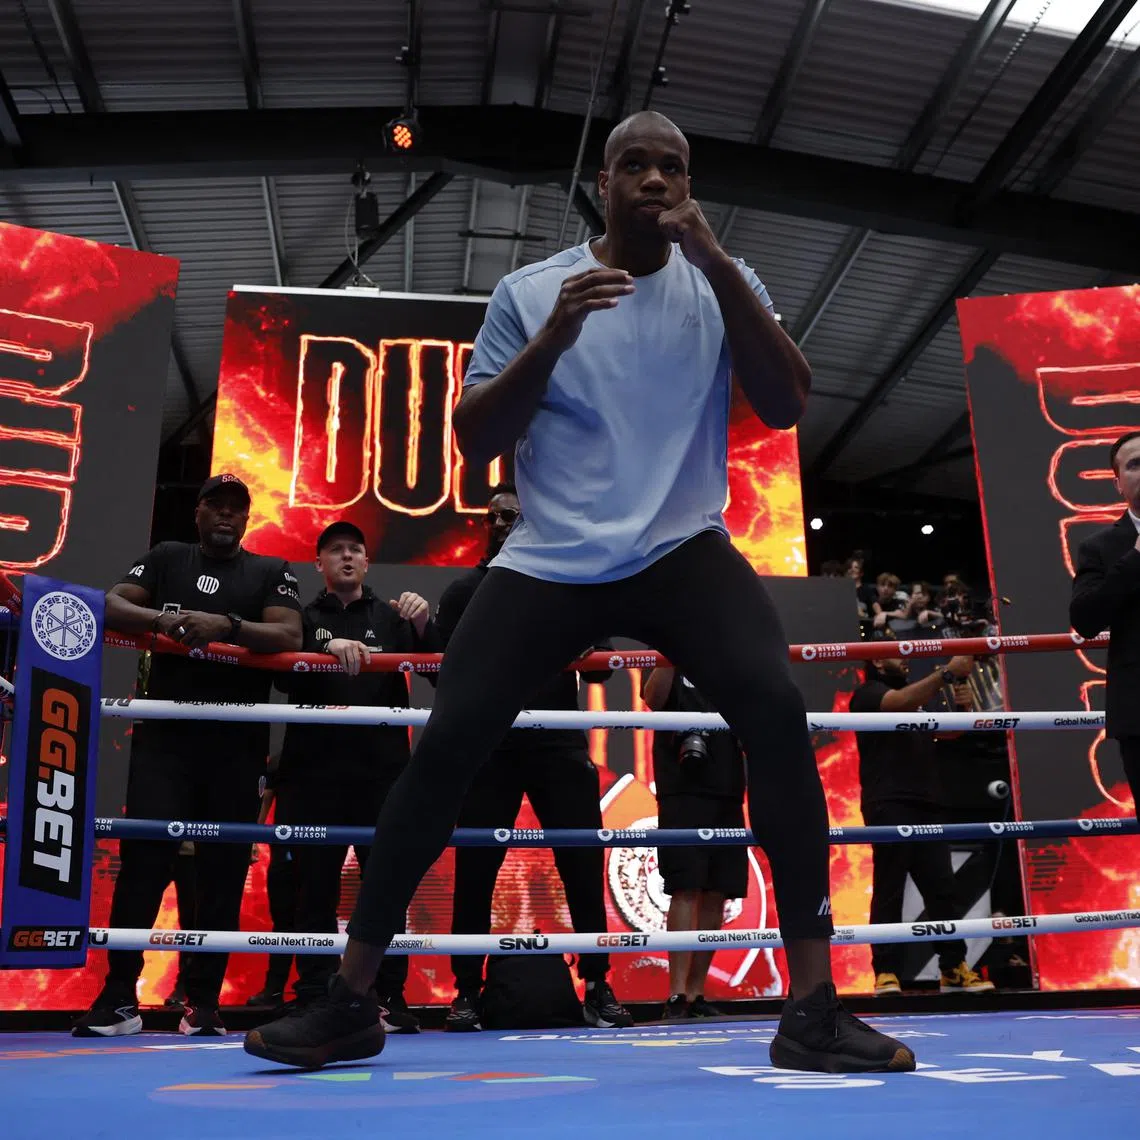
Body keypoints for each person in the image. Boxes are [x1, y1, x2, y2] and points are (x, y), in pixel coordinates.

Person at [246, 109, 915, 1073]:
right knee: (446, 749)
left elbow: (784, 404)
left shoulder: (723, 280)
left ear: (690, 185)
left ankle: (811, 1008)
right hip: (552, 555)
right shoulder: (531, 290)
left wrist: (719, 262)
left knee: (774, 709)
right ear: (602, 182)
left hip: (682, 545)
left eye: (673, 167)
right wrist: (557, 334)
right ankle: (352, 999)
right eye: (634, 165)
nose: (654, 180)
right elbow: (476, 439)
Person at [74, 473, 303, 1037]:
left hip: (236, 742)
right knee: (145, 862)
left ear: (246, 520)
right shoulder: (166, 557)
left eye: (236, 509)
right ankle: (118, 998)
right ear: (198, 512)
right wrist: (166, 622)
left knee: (223, 870)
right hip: (166, 737)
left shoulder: (269, 571)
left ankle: (202, 1003)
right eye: (215, 505)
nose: (226, 515)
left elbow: (289, 636)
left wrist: (223, 626)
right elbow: (110, 604)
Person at [436, 484, 631, 1032]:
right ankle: (467, 993)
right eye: (495, 514)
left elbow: (601, 667)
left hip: (557, 745)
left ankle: (597, 983)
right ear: (485, 525)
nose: (503, 523)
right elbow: (437, 673)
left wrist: (575, 644)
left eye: (514, 516)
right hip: (489, 746)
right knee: (475, 868)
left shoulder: (565, 586)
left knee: (582, 865)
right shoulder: (461, 592)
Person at [275, 520, 440, 1032]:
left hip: (382, 775)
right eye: (336, 551)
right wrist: (320, 652)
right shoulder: (299, 619)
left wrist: (423, 626)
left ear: (366, 563)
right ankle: (312, 997)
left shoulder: (394, 616)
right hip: (314, 774)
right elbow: (279, 677)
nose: (347, 557)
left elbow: (439, 674)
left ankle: (388, 995)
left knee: (386, 884)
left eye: (355, 550)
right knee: (313, 890)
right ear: (318, 565)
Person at [850, 647, 994, 996]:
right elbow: (896, 702)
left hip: (926, 801)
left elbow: (947, 733)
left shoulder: (914, 698)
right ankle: (885, 971)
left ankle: (952, 968)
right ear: (877, 660)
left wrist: (963, 707)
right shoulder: (868, 693)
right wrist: (945, 673)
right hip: (890, 801)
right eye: (896, 654)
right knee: (890, 887)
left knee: (942, 888)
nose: (905, 659)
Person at [643, 666, 747, 1019]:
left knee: (718, 889)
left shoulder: (728, 653)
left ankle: (697, 992)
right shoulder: (667, 650)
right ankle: (677, 995)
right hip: (681, 786)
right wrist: (669, 648)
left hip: (728, 785)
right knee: (685, 886)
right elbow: (653, 698)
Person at [1070, 428, 1140, 809]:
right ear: (1118, 483)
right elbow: (1085, 619)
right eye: (1135, 464)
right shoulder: (1100, 547)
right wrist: (1136, 558)